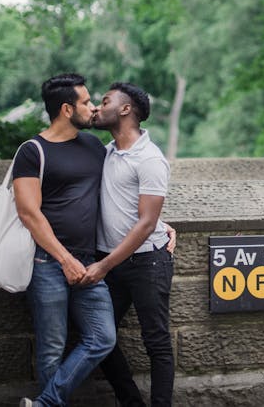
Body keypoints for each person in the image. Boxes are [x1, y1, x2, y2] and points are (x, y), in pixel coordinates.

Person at [13, 73, 116, 407]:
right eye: (86, 102)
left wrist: (158, 223)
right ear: (67, 109)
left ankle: (44, 404)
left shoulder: (94, 147)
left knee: (103, 337)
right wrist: (64, 259)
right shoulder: (32, 151)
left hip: (89, 262)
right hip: (47, 263)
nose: (93, 107)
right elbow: (29, 213)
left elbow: (119, 193)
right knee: (52, 348)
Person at [81, 81, 174, 406]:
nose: (97, 107)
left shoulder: (150, 158)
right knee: (98, 337)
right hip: (111, 261)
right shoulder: (105, 153)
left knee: (156, 341)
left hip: (147, 262)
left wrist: (103, 266)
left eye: (105, 101)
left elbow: (146, 222)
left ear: (125, 109)